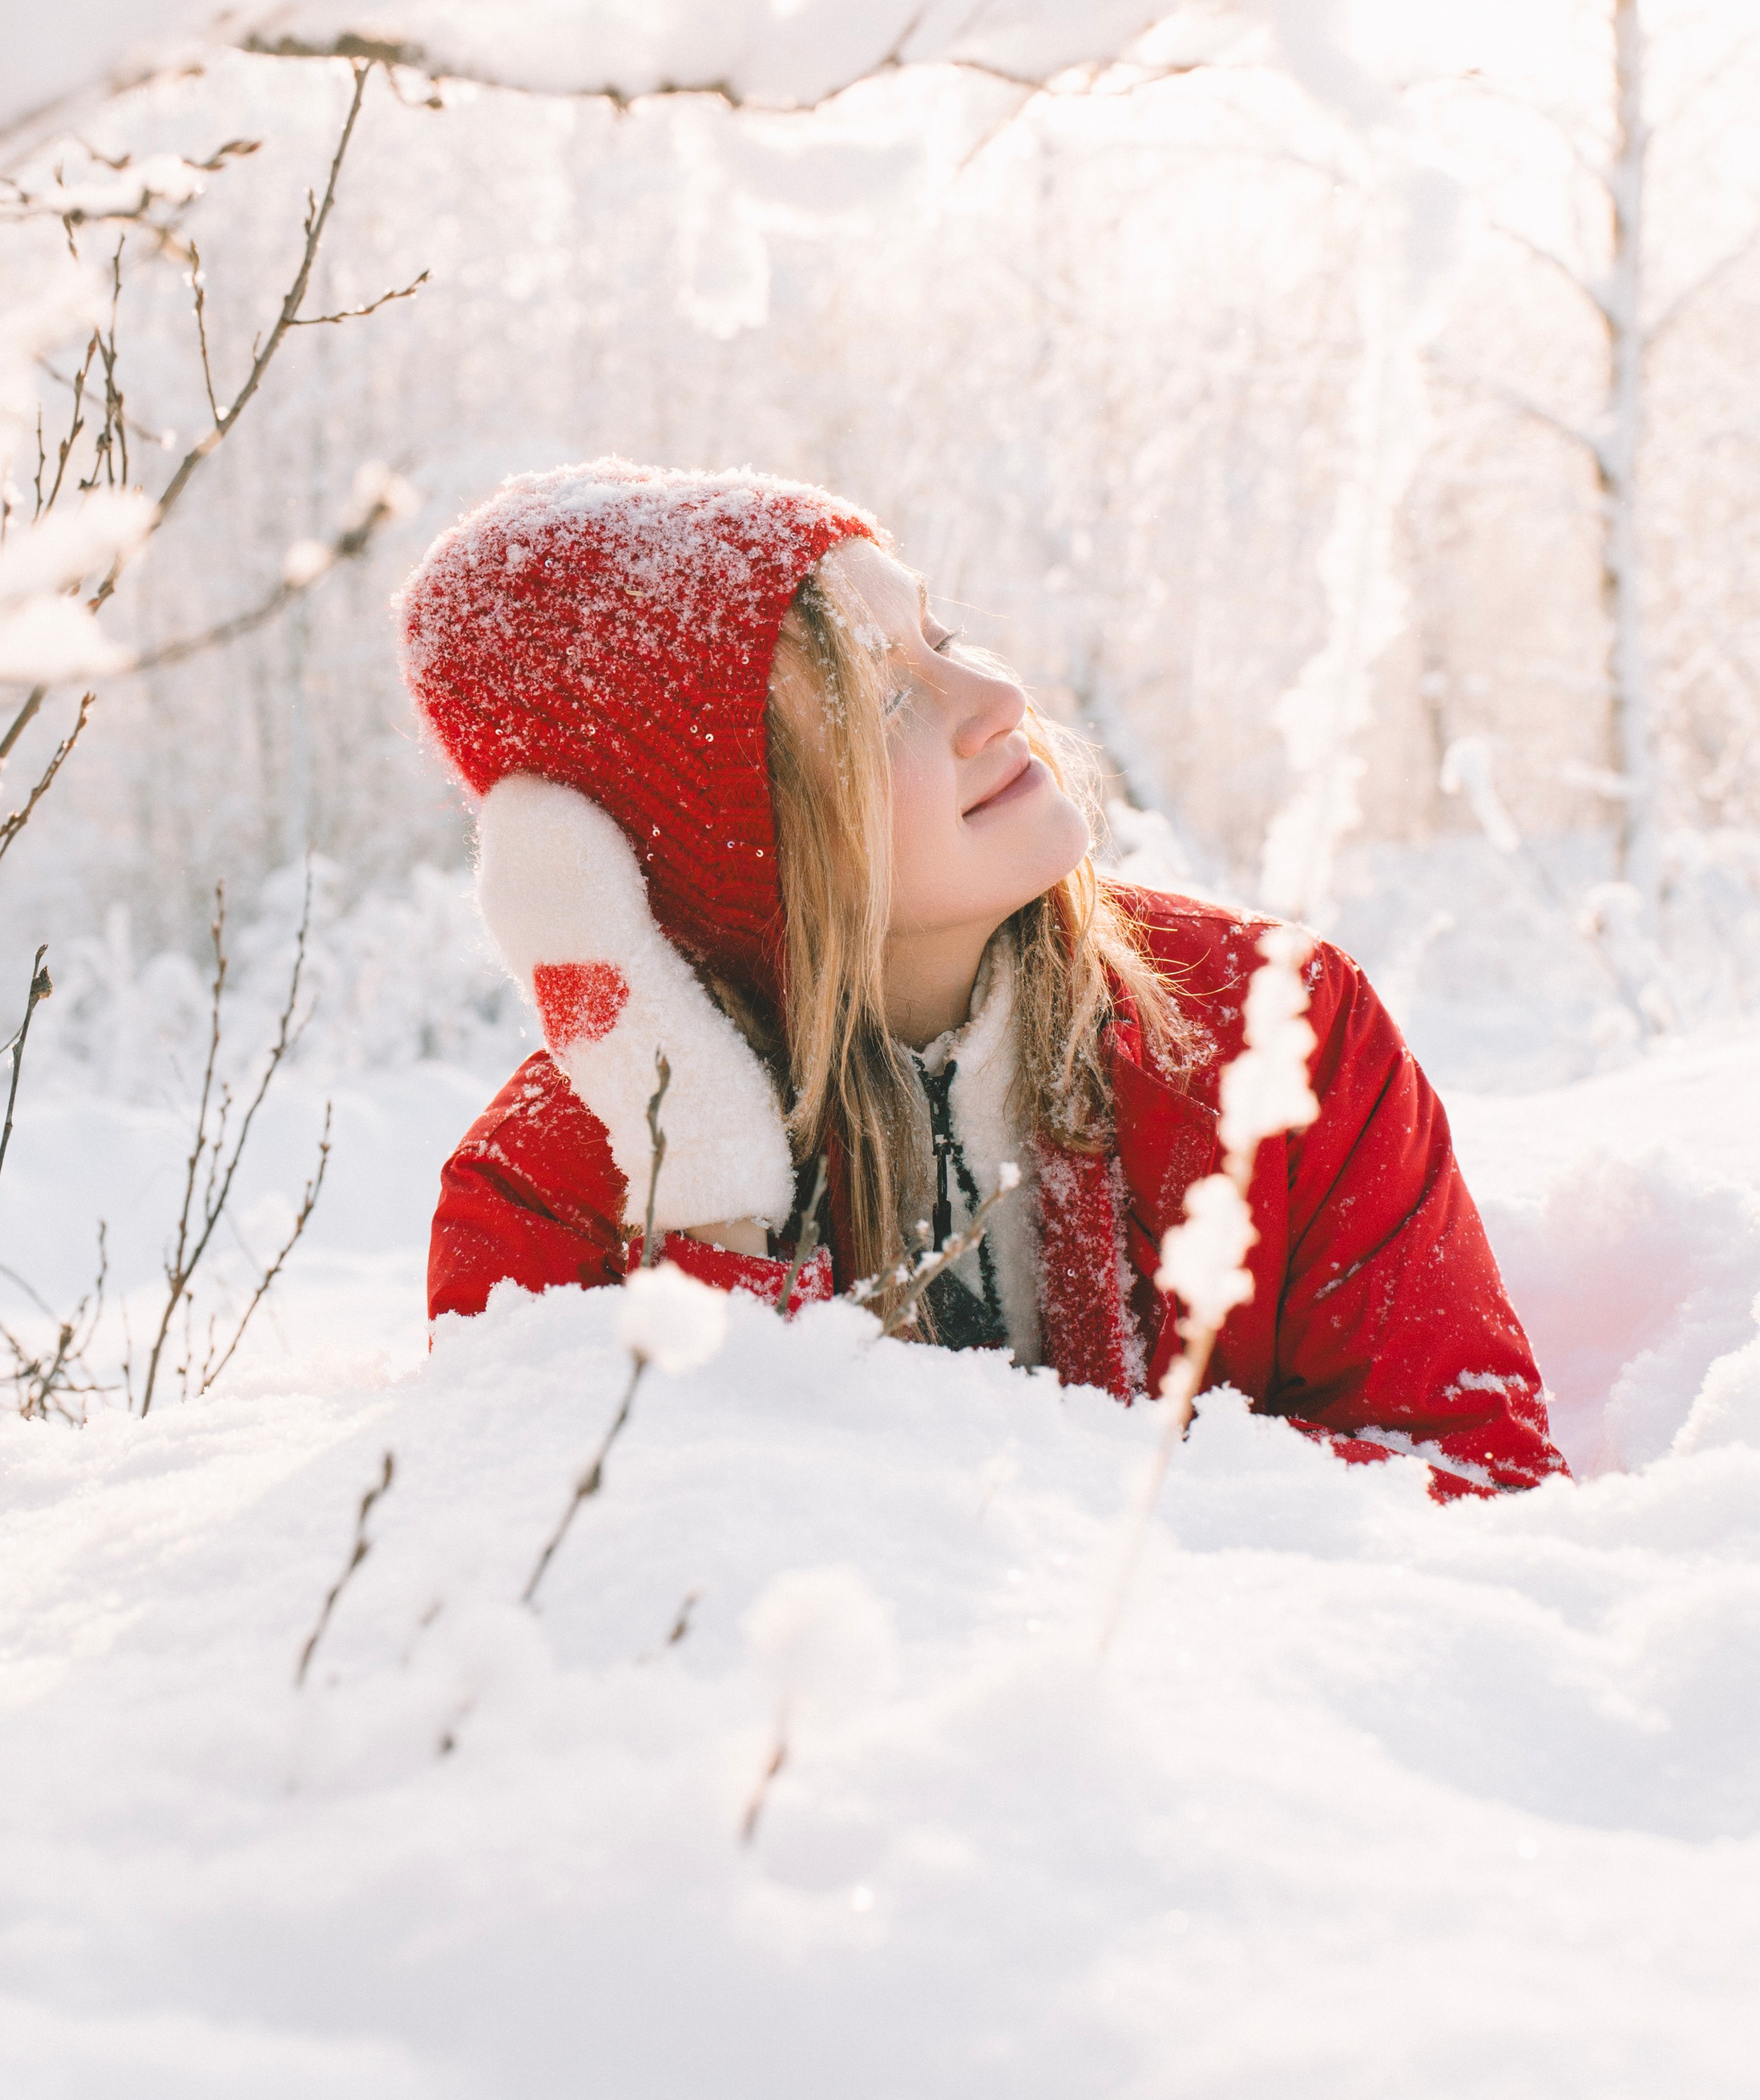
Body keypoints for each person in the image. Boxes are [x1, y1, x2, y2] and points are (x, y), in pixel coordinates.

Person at [400, 459, 1564, 1496]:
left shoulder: (1274, 1026)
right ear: (722, 847)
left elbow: (1480, 1480)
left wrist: (1039, 1505)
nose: (1001, 704)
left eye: (941, 640)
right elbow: (640, 1609)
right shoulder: (550, 1197)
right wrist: (701, 1180)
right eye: (889, 701)